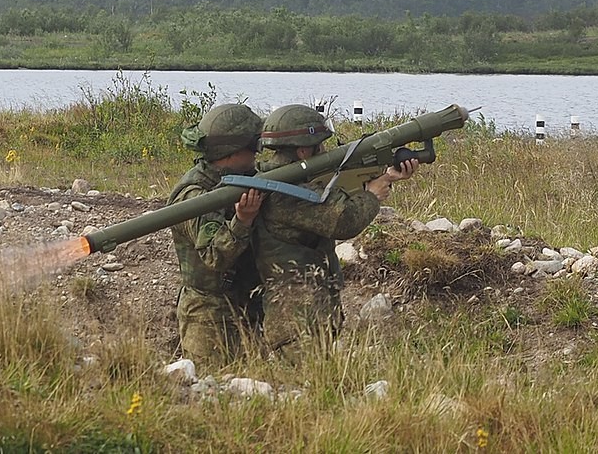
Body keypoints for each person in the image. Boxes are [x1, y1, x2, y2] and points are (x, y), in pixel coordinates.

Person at [253, 104, 418, 357]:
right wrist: (372, 195)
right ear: (304, 150)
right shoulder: (285, 191)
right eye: (320, 146)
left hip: (308, 311)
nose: (325, 151)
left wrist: (387, 177)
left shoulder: (284, 180)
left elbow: (331, 197)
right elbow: (343, 221)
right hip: (296, 317)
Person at [167, 103, 264, 364]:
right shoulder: (194, 196)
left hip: (246, 305)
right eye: (253, 145)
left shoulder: (240, 177)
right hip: (209, 317)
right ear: (233, 151)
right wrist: (243, 220)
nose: (257, 153)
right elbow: (214, 257)